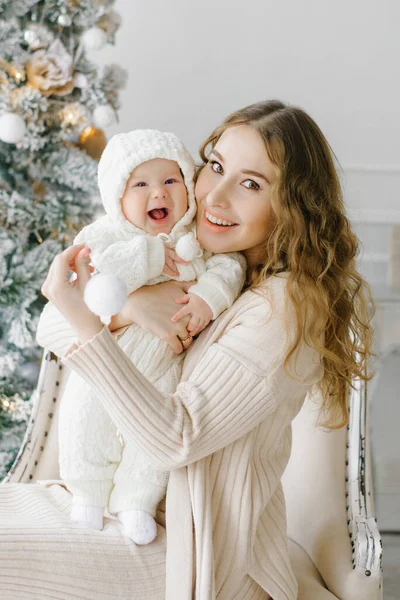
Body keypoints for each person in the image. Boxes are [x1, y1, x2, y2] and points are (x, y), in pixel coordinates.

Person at [0, 100, 374, 600]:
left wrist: (93, 322)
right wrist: (130, 308)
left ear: (293, 206)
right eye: (215, 167)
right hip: (117, 507)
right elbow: (53, 323)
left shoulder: (282, 308)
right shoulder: (206, 263)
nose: (215, 196)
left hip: (197, 552)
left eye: (251, 184)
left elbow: (175, 439)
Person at [36, 129, 246, 543]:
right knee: (85, 423)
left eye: (171, 181)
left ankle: (136, 501)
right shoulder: (106, 236)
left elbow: (230, 269)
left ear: (188, 186)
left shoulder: (199, 243)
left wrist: (206, 298)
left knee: (147, 451)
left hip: (163, 371)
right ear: (117, 197)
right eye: (141, 184)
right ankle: (88, 495)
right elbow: (91, 281)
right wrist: (143, 267)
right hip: (104, 363)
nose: (159, 194)